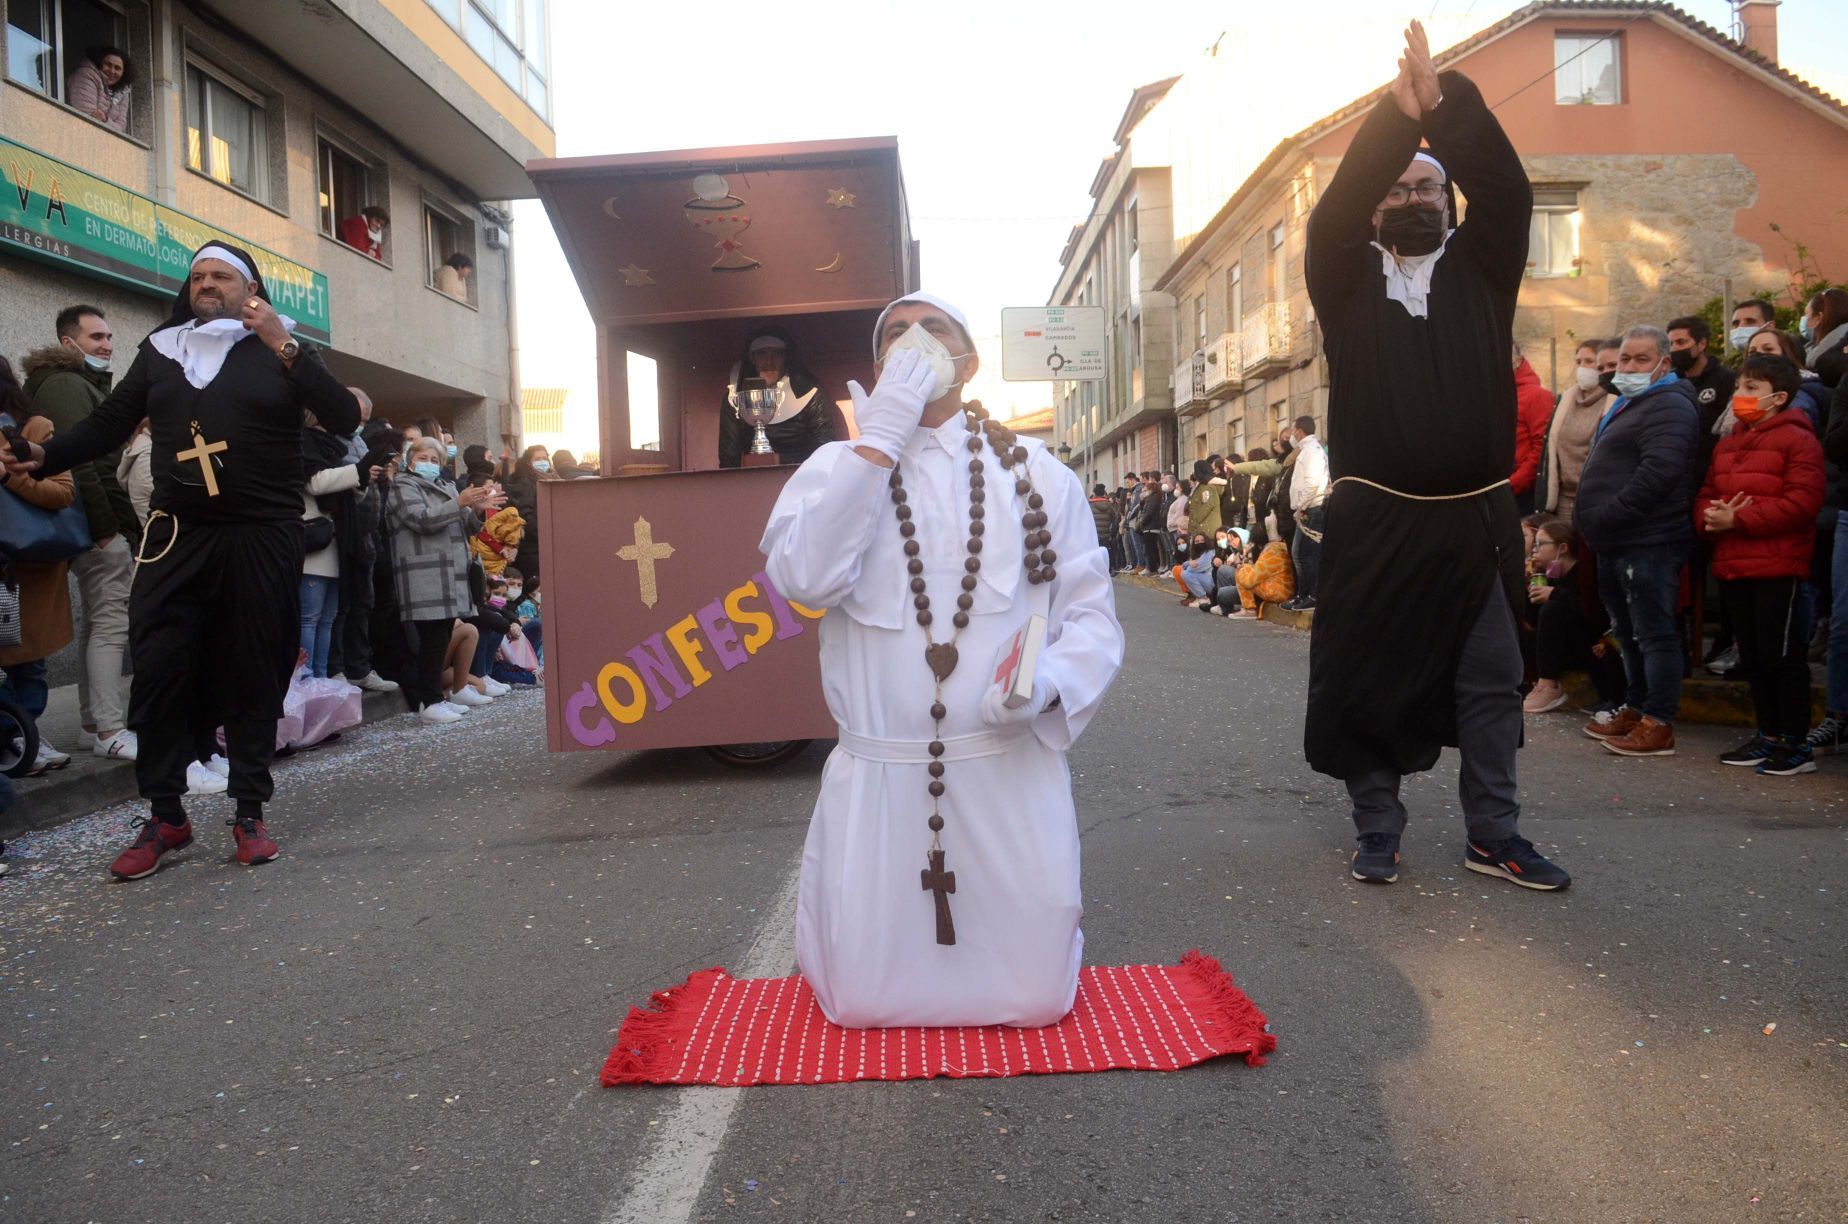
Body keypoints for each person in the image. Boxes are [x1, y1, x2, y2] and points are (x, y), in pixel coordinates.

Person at [762, 291, 1124, 1027]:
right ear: (878, 365)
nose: (916, 341)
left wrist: (1048, 683)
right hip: (881, 778)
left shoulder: (1040, 473)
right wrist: (877, 446)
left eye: (935, 329)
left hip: (1006, 767)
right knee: (862, 1003)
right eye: (896, 333)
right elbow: (804, 582)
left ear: (971, 360)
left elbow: (1090, 615)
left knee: (1033, 1000)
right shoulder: (833, 468)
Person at [1302, 23, 1568, 891]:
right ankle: (1377, 825)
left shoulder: (1485, 272)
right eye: (1397, 188)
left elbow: (1507, 188)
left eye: (1427, 187)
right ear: (1376, 207)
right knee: (1367, 678)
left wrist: (1442, 107)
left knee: (1492, 682)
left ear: (1447, 204)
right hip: (1374, 520)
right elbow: (1332, 211)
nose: (1413, 198)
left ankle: (1494, 831)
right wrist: (1392, 120)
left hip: (1476, 518)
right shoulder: (1344, 282)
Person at [2, 241, 361, 877]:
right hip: (177, 534)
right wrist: (42, 458)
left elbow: (338, 419)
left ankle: (249, 808)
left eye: (221, 275)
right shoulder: (162, 350)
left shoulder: (282, 350)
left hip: (261, 533)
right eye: (198, 276)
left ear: (250, 288)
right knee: (162, 667)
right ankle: (166, 814)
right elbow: (110, 422)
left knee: (253, 669)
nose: (207, 284)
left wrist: (282, 342)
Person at [1696, 354, 1827, 775]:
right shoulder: (1730, 440)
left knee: (1781, 655)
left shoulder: (1798, 438)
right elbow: (1707, 491)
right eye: (1739, 387)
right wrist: (1710, 518)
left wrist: (1741, 519)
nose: (1740, 395)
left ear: (1779, 397)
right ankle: (1768, 734)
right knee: (1751, 656)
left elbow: (1803, 503)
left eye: (1752, 389)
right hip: (1733, 563)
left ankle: (1795, 742)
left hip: (1778, 566)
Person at [1575, 325, 1700, 757]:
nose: (1628, 367)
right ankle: (1637, 705)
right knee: (1626, 632)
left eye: (1640, 360)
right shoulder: (1632, 401)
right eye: (1625, 359)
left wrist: (1607, 517)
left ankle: (1659, 722)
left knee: (1653, 632)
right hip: (1615, 540)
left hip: (1647, 539)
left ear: (1664, 363)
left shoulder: (1668, 405)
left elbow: (1658, 473)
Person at [24, 305, 139, 761]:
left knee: (100, 624)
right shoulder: (66, 385)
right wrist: (108, 530)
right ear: (68, 343)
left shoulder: (73, 384)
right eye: (96, 337)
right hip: (99, 530)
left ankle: (95, 726)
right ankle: (111, 729)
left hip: (97, 527)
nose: (107, 345)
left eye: (110, 336)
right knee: (111, 627)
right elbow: (83, 461)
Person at [386, 436, 504, 723]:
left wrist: (478, 508)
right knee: (431, 637)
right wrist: (459, 501)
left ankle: (442, 696)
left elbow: (467, 526)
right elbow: (421, 519)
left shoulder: (446, 486)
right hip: (423, 571)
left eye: (435, 460)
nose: (429, 464)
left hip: (449, 572)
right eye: (423, 458)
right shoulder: (403, 485)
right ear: (409, 459)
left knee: (441, 635)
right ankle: (429, 701)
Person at [0, 357, 77, 775]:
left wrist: (12, 478)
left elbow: (62, 492)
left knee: (29, 659)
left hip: (26, 569)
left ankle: (24, 734)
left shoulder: (34, 429)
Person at [1522, 520, 1625, 714]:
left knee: (1553, 609)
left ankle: (1549, 685)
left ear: (1562, 548)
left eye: (1540, 544)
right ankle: (1534, 683)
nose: (1535, 550)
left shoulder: (1584, 573)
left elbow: (1593, 612)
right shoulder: (1550, 575)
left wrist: (1554, 594)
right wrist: (1528, 587)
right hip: (1570, 649)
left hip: (1596, 645)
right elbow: (1534, 621)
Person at [719, 327, 839, 468]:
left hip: (802, 478)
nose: (769, 361)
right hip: (754, 481)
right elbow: (729, 458)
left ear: (786, 357)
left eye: (777, 354)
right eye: (762, 353)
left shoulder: (810, 392)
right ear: (752, 358)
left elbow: (826, 447)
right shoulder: (735, 397)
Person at [1538, 338, 1614, 524]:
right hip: (1563, 498)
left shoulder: (1613, 400)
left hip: (1595, 496)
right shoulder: (1566, 400)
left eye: (1589, 361)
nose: (1582, 368)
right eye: (1578, 362)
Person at [1667, 315, 1737, 477]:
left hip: (1710, 469)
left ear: (1702, 344)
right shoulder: (1670, 382)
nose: (1675, 349)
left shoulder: (1725, 379)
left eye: (1681, 342)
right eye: (1671, 344)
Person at [1283, 416, 1328, 610]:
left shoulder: (1312, 451)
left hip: (1311, 508)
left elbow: (1312, 482)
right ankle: (1302, 593)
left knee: (1306, 554)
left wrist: (1302, 506)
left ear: (1299, 431)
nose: (1291, 435)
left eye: (1293, 431)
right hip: (1305, 508)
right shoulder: (1306, 451)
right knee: (1298, 553)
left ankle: (1313, 594)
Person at [1510, 341, 1553, 515]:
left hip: (1520, 491)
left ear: (1519, 359)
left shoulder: (1536, 396)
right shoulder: (1498, 394)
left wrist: (1514, 484)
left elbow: (1542, 447)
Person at [501, 445, 551, 583]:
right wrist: (544, 533)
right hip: (531, 548)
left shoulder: (547, 478)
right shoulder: (526, 482)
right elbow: (525, 514)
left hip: (539, 546)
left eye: (545, 458)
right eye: (537, 458)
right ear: (529, 462)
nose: (542, 461)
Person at [66, 45, 132, 132]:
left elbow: (121, 129)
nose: (112, 71)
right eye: (108, 65)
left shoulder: (123, 91)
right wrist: (110, 124)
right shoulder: (85, 75)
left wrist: (104, 120)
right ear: (99, 63)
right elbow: (86, 115)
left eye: (117, 68)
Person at [1801, 287, 1848, 389]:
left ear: (1819, 317)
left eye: (1806, 314)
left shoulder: (1827, 361)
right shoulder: (1811, 349)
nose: (1803, 320)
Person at [1088, 482, 1122, 573]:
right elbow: (1114, 518)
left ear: (1094, 494)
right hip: (1106, 533)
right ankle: (1109, 569)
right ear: (1104, 493)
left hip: (1094, 534)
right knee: (1106, 551)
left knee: (1095, 552)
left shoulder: (1090, 505)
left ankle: (1097, 570)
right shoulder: (1109, 505)